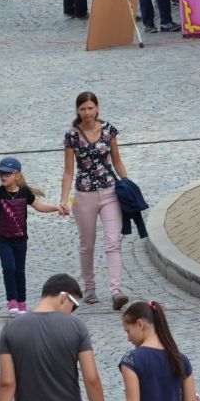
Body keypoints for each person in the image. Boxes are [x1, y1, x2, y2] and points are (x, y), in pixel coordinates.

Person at [61, 92, 130, 310]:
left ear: (97, 107)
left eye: (90, 108)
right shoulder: (72, 135)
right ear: (77, 111)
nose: (87, 112)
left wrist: (127, 184)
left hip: (110, 192)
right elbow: (69, 171)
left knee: (113, 241)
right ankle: (89, 288)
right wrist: (64, 199)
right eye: (83, 109)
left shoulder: (108, 130)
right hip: (84, 195)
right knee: (87, 244)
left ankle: (116, 291)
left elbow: (117, 161)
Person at [0, 157, 65, 316]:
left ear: (17, 175)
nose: (3, 177)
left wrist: (56, 208)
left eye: (7, 174)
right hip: (3, 239)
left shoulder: (25, 192)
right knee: (9, 268)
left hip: (20, 240)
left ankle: (22, 302)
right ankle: (12, 300)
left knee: (19, 271)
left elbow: (40, 206)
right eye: (0, 174)